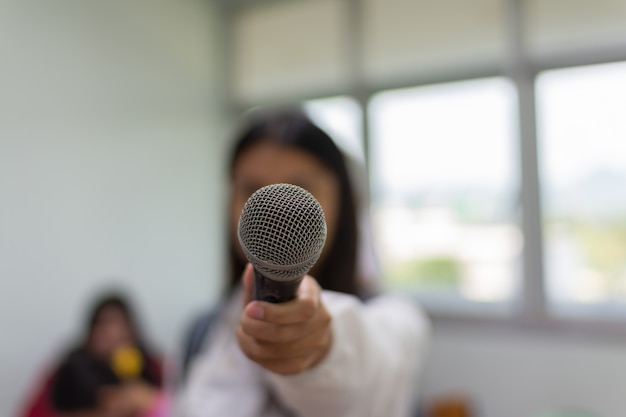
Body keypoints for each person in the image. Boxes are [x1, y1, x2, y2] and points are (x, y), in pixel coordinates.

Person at [177, 108, 430, 417]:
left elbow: (368, 372)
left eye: (300, 189)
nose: (276, 210)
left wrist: (320, 348)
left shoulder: (395, 320)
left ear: (343, 201)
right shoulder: (201, 332)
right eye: (251, 190)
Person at [19, 292, 169, 417]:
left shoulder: (152, 367)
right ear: (90, 332)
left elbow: (177, 408)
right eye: (103, 326)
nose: (111, 335)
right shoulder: (69, 370)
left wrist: (146, 400)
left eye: (119, 326)